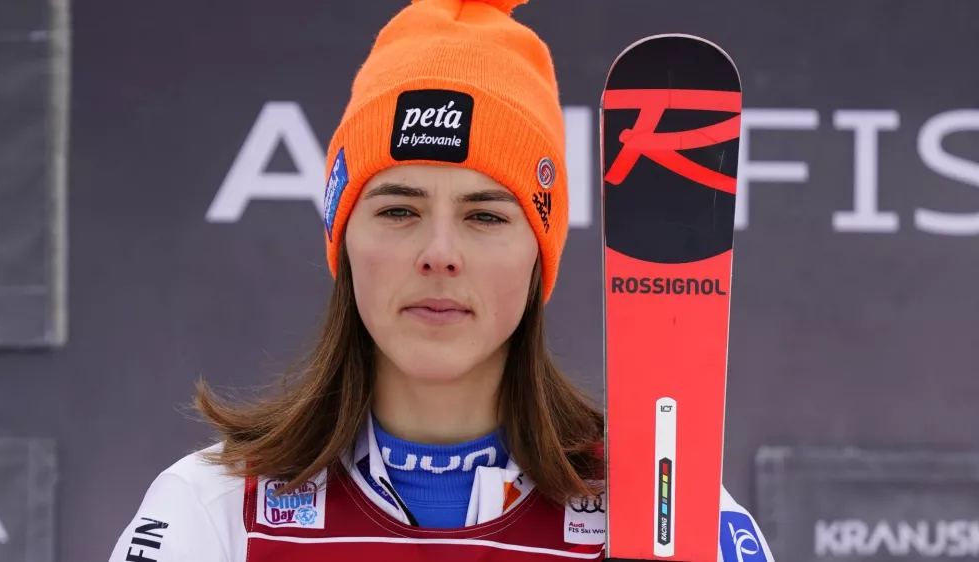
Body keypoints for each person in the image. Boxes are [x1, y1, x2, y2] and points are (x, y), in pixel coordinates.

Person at [108, 0, 775, 560]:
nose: (439, 253)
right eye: (399, 210)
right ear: (343, 238)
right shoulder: (216, 510)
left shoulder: (673, 518)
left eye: (485, 216)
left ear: (537, 254)